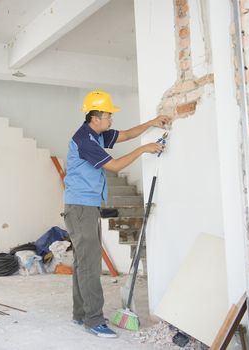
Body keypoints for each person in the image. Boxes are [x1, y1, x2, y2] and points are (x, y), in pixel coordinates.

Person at [63, 90, 169, 338]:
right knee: (89, 265)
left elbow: (127, 134)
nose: (112, 120)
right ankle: (93, 319)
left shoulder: (97, 134)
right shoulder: (85, 140)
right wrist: (144, 149)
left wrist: (152, 123)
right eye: (109, 116)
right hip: (80, 208)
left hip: (86, 206)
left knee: (82, 263)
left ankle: (81, 314)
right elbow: (115, 166)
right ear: (96, 117)